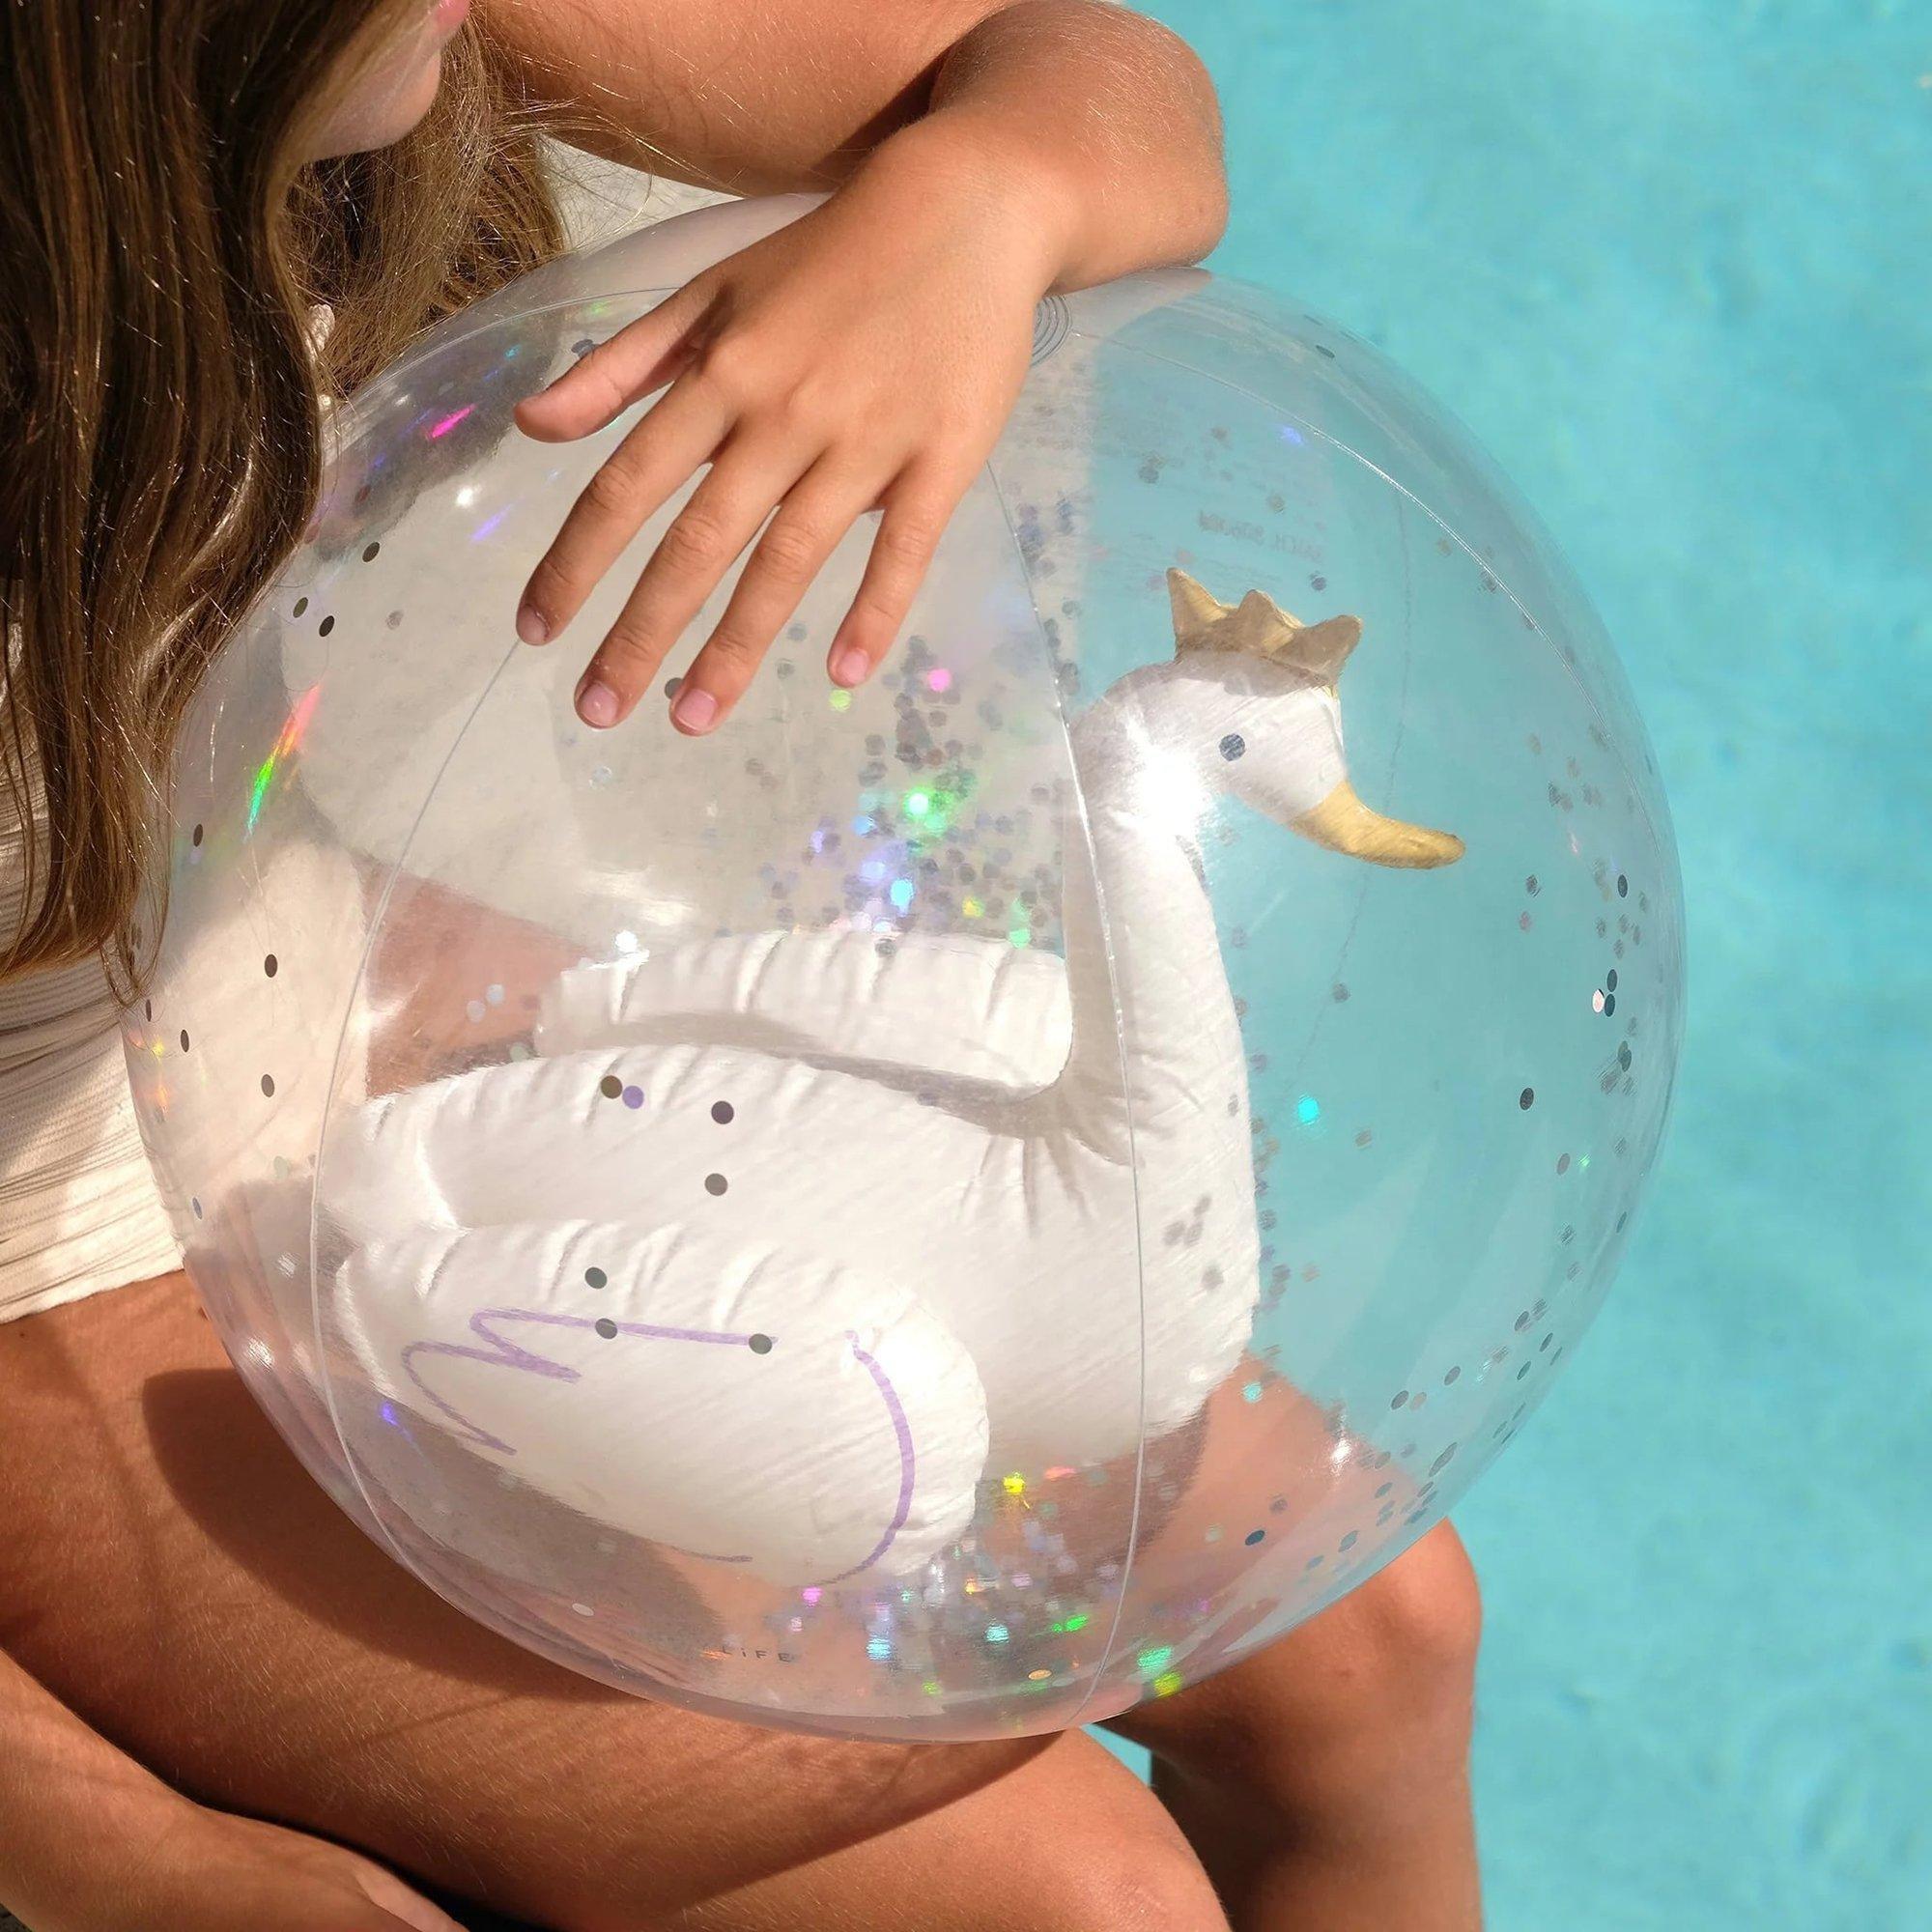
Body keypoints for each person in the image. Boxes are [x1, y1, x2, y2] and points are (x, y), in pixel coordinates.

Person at [0, 3, 1484, 1926]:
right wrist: (133, 1860)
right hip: (47, 1272)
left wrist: (988, 194)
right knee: (1075, 1907)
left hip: (312, 982)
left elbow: (1080, 67)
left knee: (1377, 1638)